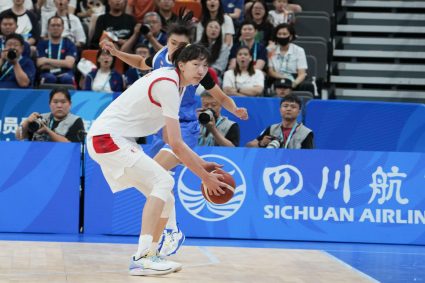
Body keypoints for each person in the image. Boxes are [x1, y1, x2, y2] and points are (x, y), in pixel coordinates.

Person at [101, 19, 248, 257]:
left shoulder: (197, 68)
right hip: (162, 128)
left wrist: (235, 109)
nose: (176, 47)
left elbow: (220, 97)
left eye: (182, 44)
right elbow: (140, 62)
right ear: (167, 42)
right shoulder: (161, 58)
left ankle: (169, 232)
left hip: (185, 126)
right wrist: (117, 53)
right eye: (172, 43)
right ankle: (161, 241)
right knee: (156, 183)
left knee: (157, 175)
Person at [87, 43, 228, 276]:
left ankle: (151, 255)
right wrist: (204, 177)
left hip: (118, 140)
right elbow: (175, 143)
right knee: (163, 181)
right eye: (196, 64)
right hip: (107, 138)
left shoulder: (178, 85)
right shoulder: (167, 84)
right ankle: (141, 257)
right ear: (181, 65)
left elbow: (167, 136)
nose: (202, 70)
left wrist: (201, 163)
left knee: (167, 198)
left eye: (205, 65)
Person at [16, 87, 85, 142]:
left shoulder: (76, 121)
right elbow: (19, 137)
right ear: (49, 104)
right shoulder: (40, 118)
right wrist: (27, 121)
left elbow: (70, 145)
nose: (59, 105)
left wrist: (47, 131)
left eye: (63, 102)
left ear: (70, 104)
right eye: (55, 102)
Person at [246, 94, 314, 149]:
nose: (288, 109)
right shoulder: (271, 128)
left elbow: (308, 156)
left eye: (293, 107)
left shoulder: (306, 133)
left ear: (299, 112)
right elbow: (248, 146)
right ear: (280, 109)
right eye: (285, 106)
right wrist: (261, 143)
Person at [268, 23, 309, 92]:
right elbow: (271, 71)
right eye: (279, 34)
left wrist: (293, 84)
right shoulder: (270, 50)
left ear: (290, 37)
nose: (281, 36)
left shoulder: (299, 50)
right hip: (276, 78)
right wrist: (285, 78)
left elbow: (302, 74)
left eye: (284, 34)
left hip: (294, 79)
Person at [37, 16, 77, 85]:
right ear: (48, 28)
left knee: (67, 79)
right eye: (53, 25)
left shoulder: (69, 44)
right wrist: (62, 64)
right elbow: (40, 64)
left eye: (58, 25)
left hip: (66, 74)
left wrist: (46, 60)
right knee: (50, 78)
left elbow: (69, 64)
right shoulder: (42, 44)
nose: (55, 28)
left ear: (63, 28)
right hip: (47, 73)